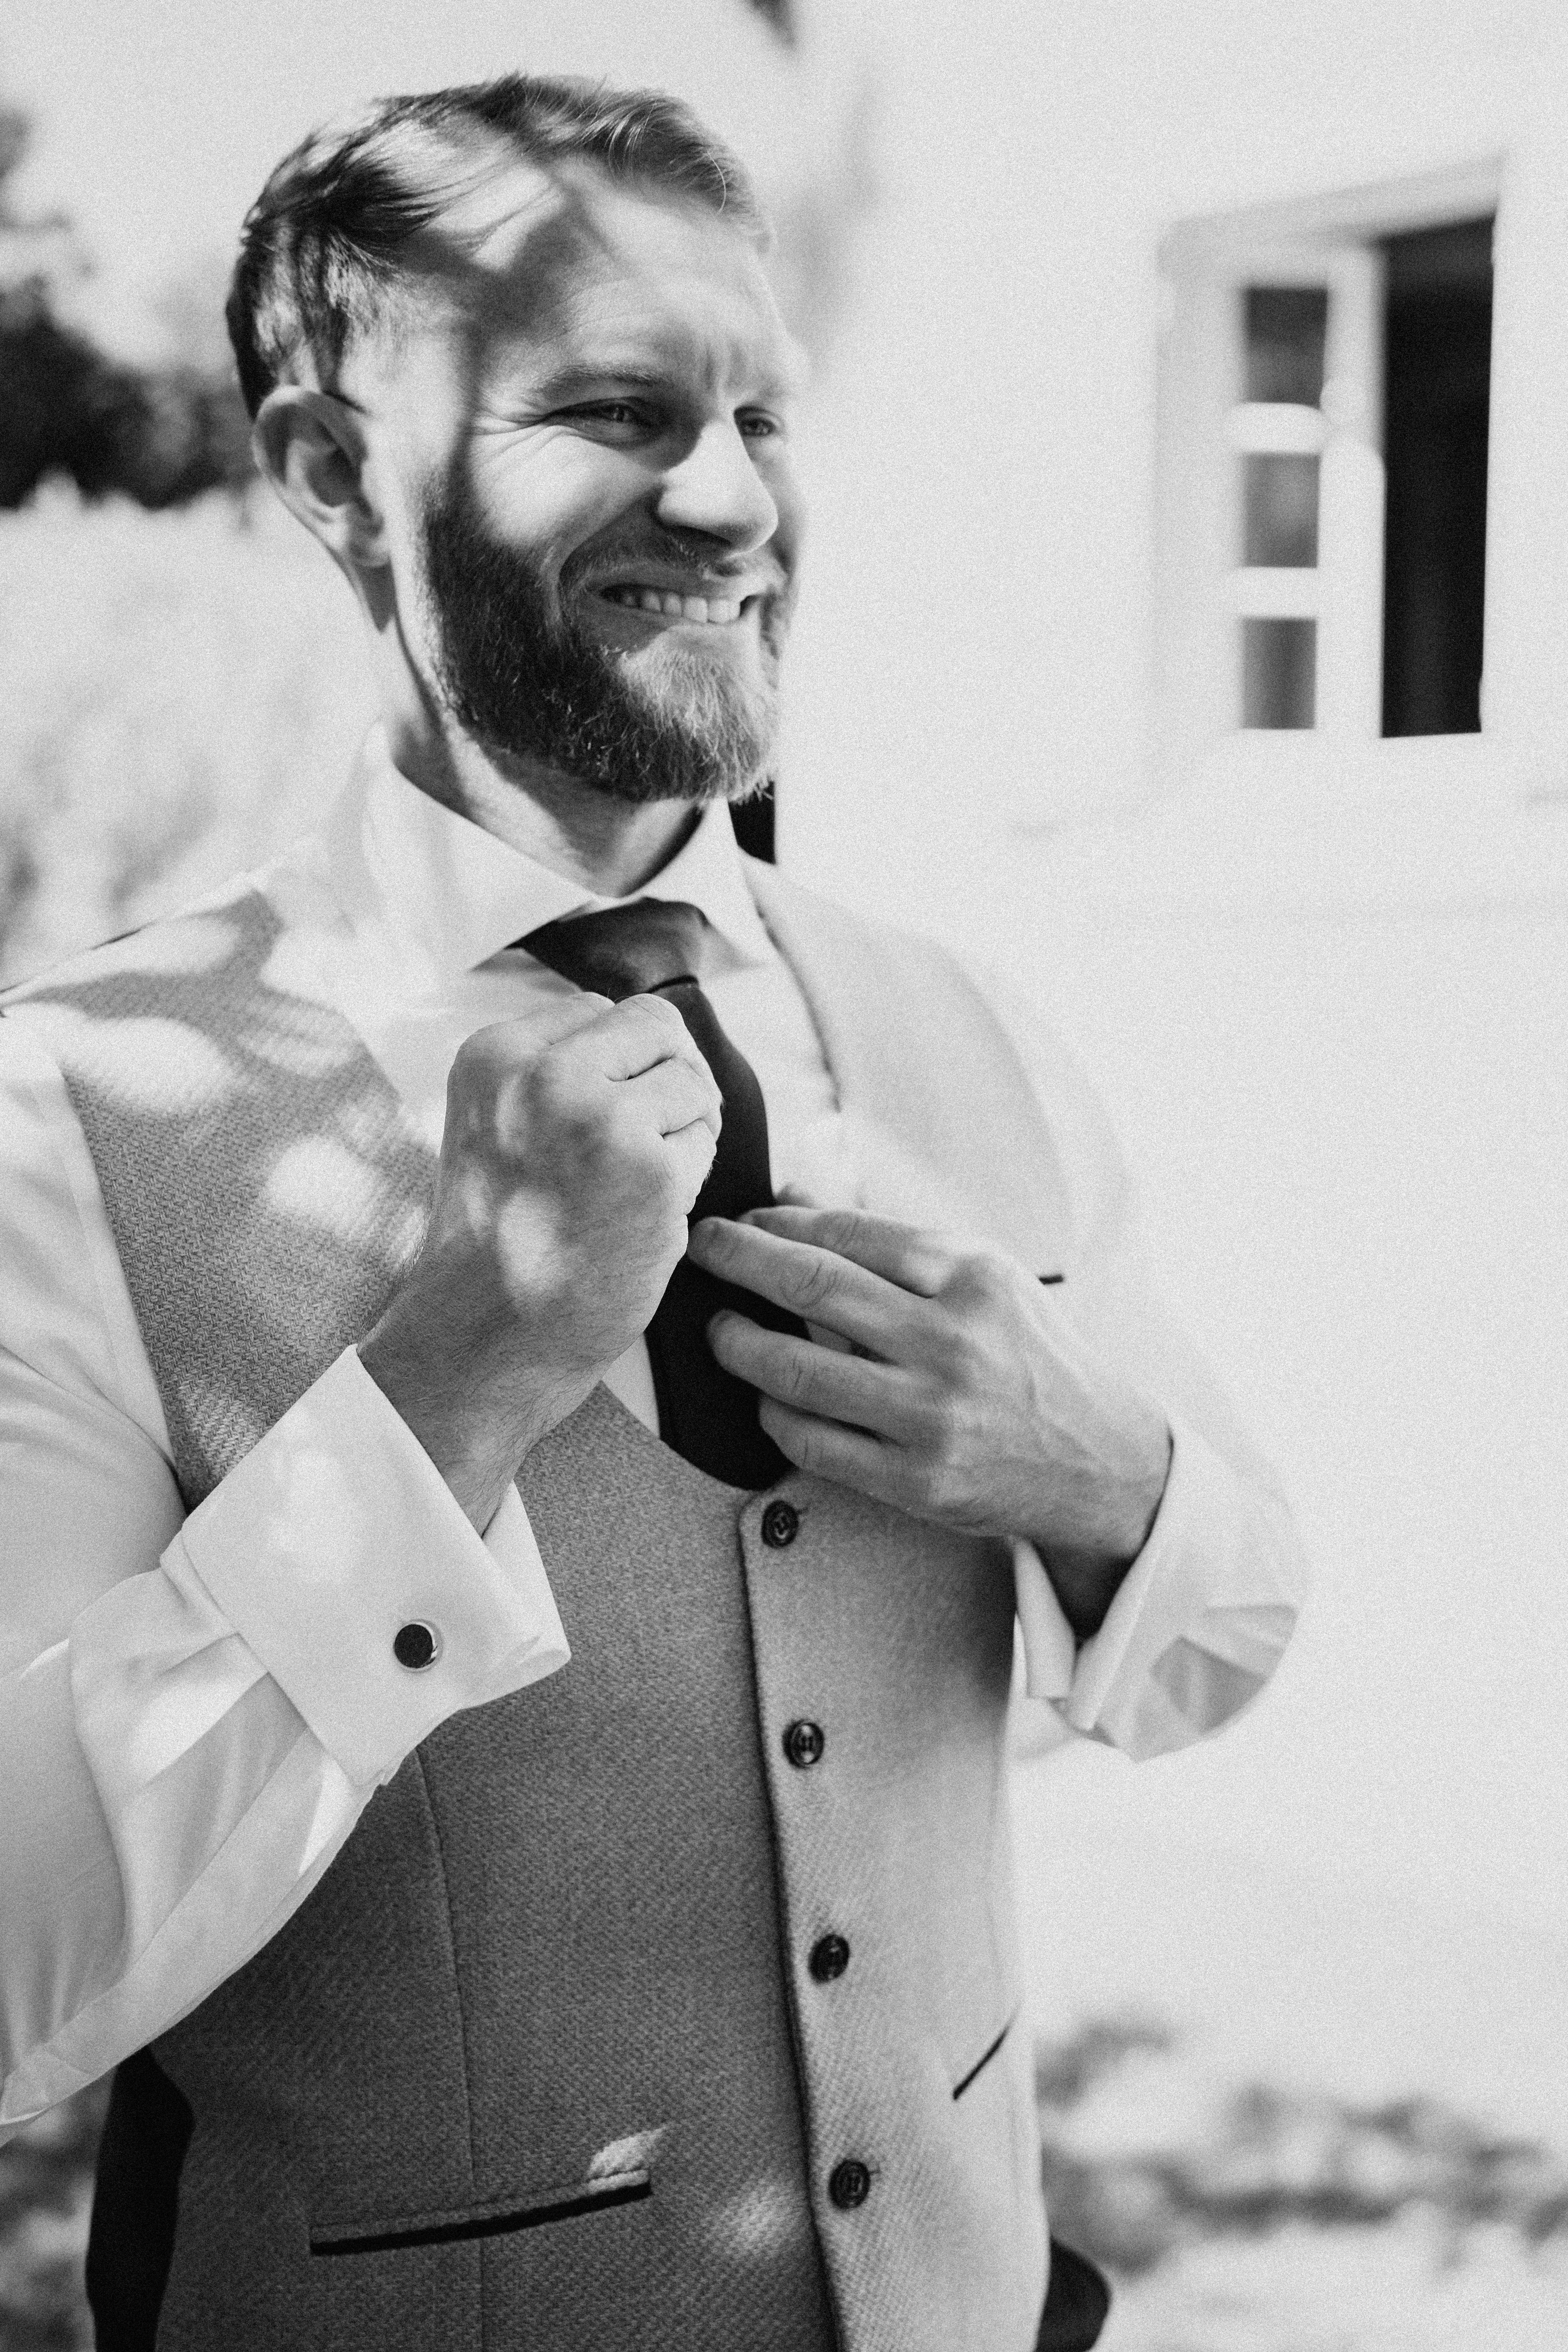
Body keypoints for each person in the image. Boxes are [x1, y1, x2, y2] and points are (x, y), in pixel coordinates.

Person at [0, 74, 1308, 2352]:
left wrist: (1098, 1478)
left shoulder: (965, 1031)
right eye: (618, 408)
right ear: (333, 475)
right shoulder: (73, 1107)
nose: (733, 500)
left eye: (763, 416)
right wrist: (455, 1377)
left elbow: (1227, 1630)